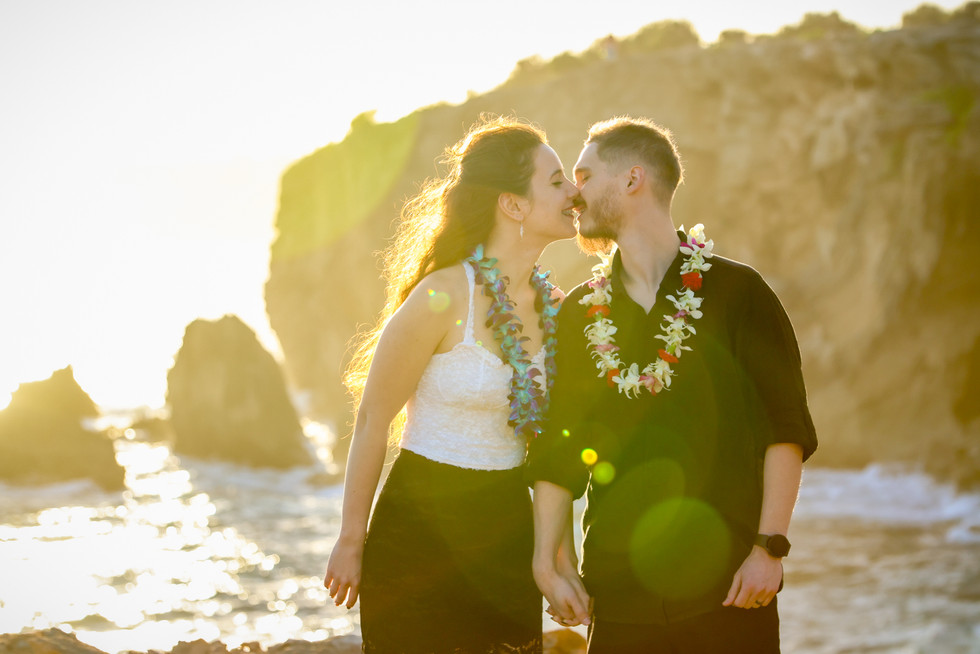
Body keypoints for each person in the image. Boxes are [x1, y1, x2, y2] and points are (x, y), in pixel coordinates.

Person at [527, 116, 818, 653]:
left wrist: (768, 551)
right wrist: (550, 561)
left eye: (586, 176)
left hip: (730, 592)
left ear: (633, 179)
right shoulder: (579, 314)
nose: (573, 193)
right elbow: (561, 448)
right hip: (617, 596)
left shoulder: (739, 293)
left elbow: (785, 430)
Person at [323, 116, 581, 654]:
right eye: (556, 181)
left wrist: (559, 559)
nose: (573, 192)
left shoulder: (560, 310)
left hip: (506, 533)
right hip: (417, 530)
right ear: (512, 204)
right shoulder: (442, 295)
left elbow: (555, 451)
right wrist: (352, 539)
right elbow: (373, 419)